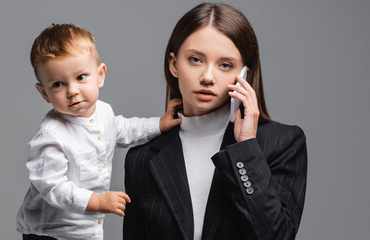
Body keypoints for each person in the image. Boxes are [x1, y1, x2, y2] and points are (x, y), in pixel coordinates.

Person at [123, 3, 307, 240]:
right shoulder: (141, 159)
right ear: (174, 64)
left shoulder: (282, 143)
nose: (208, 77)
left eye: (225, 65)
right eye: (196, 59)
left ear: (244, 75)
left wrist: (246, 149)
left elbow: (277, 236)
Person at [16, 23, 182, 240]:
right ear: (44, 93)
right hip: (51, 231)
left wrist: (159, 124)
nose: (72, 91)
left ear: (100, 75)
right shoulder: (51, 135)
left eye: (81, 77)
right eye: (58, 84)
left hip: (85, 228)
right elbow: (52, 187)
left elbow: (123, 128)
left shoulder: (104, 112)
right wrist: (97, 201)